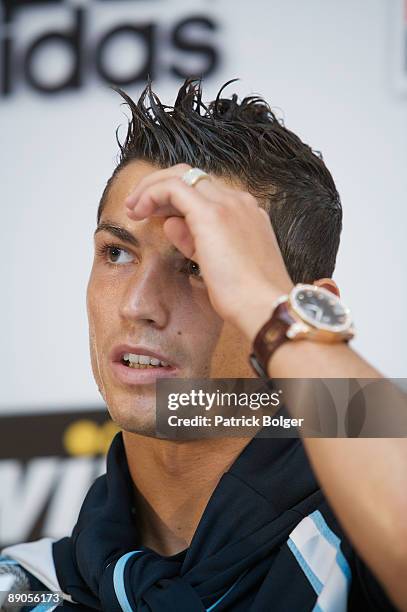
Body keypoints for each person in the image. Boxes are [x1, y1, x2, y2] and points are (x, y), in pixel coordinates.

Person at [1, 78, 406, 612]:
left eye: (199, 265)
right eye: (117, 254)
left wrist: (270, 305)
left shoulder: (364, 550)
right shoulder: (24, 587)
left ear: (302, 304)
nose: (138, 304)